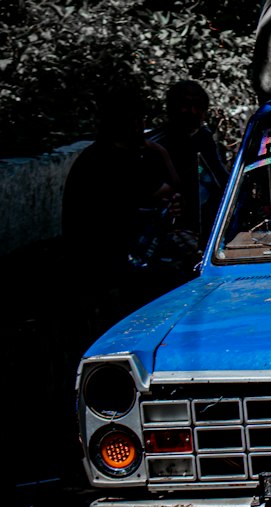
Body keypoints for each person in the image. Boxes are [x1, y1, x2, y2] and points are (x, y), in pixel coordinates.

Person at [62, 79, 182, 339]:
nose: (139, 127)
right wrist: (155, 149)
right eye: (134, 121)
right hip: (104, 263)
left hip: (119, 260)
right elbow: (167, 188)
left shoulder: (117, 155)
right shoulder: (107, 160)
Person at [148, 79, 228, 248]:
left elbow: (221, 182)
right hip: (165, 234)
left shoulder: (206, 141)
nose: (191, 111)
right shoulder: (153, 146)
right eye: (185, 105)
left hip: (208, 232)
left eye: (197, 106)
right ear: (171, 108)